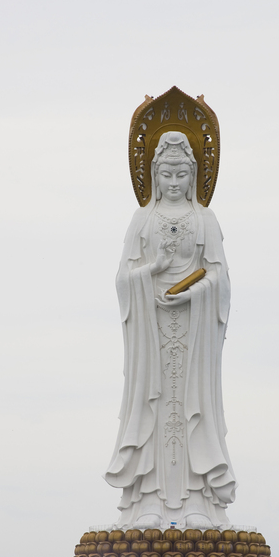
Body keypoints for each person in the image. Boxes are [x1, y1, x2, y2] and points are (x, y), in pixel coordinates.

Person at [104, 130, 236, 531]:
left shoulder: (205, 219)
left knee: (191, 406)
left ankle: (197, 499)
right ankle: (147, 503)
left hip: (194, 333)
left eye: (181, 173)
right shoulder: (142, 219)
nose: (174, 182)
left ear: (193, 175)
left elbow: (221, 278)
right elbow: (123, 278)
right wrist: (155, 270)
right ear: (154, 175)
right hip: (151, 331)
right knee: (154, 407)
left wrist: (194, 293)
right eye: (166, 173)